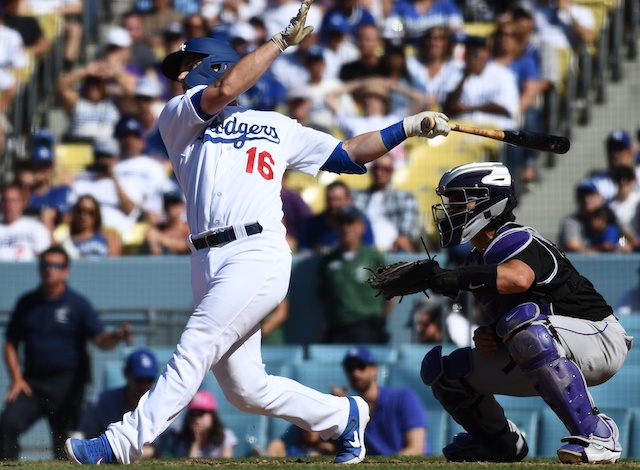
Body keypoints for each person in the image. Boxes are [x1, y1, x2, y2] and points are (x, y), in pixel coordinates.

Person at [64, 3, 451, 464]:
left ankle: (119, 443)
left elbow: (346, 154)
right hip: (205, 258)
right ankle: (342, 416)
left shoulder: (275, 125)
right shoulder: (177, 115)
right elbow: (226, 89)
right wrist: (280, 42)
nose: (180, 74)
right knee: (247, 390)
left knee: (196, 344)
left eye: (187, 65)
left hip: (257, 250)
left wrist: (408, 126)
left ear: (211, 64)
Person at [413, 161, 632, 463]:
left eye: (460, 201)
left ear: (489, 201)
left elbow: (519, 279)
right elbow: (515, 314)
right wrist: (490, 334)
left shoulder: (515, 238)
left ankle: (599, 435)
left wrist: (452, 278)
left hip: (600, 337)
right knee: (448, 373)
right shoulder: (477, 261)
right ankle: (500, 444)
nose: (452, 210)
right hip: (552, 344)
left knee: (527, 331)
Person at [0, 246, 133, 460]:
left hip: (67, 385)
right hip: (31, 384)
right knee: (7, 424)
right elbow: (10, 343)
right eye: (45, 265)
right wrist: (16, 378)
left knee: (65, 445)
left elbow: (101, 341)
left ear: (65, 271)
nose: (49, 270)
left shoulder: (77, 305)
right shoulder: (27, 303)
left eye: (56, 266)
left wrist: (116, 335)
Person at [316, 205, 393, 344]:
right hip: (337, 327)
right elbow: (322, 295)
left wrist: (380, 319)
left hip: (367, 327)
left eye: (350, 222)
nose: (346, 227)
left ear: (361, 227)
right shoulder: (328, 261)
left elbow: (391, 293)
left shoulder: (374, 258)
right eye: (341, 222)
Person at [331, 347, 427, 456]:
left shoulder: (404, 398)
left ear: (374, 369)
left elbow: (417, 449)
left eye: (360, 366)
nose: (355, 372)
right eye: (350, 368)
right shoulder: (352, 409)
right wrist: (340, 409)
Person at [77, 349, 159, 459]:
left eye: (149, 380)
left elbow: (171, 445)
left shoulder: (163, 405)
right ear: (126, 374)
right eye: (139, 379)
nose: (144, 385)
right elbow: (85, 439)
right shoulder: (99, 403)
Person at [351, 153, 420, 252]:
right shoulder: (358, 197)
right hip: (364, 247)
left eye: (386, 169)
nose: (380, 173)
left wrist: (403, 237)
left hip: (394, 248)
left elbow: (406, 231)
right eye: (377, 168)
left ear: (392, 171)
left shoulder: (405, 197)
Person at [298, 181, 375, 255]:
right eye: (330, 199)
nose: (333, 204)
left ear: (348, 200)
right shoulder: (309, 224)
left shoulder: (359, 222)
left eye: (338, 200)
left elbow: (369, 255)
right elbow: (304, 256)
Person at [159, 390, 237, 458]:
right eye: (193, 414)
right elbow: (187, 467)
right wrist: (195, 443)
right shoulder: (184, 440)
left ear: (213, 416)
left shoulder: (226, 436)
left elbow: (227, 463)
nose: (196, 419)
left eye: (201, 414)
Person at [56, 195, 122, 258]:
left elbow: (114, 264)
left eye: (90, 212)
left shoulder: (108, 237)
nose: (84, 215)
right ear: (74, 214)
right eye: (80, 211)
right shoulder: (67, 243)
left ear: (97, 215)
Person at [0, 184, 51, 262]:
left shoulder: (36, 228)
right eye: (6, 200)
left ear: (23, 204)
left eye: (14, 201)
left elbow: (45, 257)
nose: (9, 205)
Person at [558, 180, 606, 253]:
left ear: (599, 197)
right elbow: (573, 246)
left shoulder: (608, 217)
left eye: (590, 195)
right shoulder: (571, 221)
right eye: (582, 195)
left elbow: (623, 240)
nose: (586, 199)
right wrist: (605, 248)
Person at [267, 425, 336, 456]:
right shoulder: (292, 445)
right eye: (306, 427)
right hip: (293, 452)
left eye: (314, 428)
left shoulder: (326, 448)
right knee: (276, 444)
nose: (310, 431)